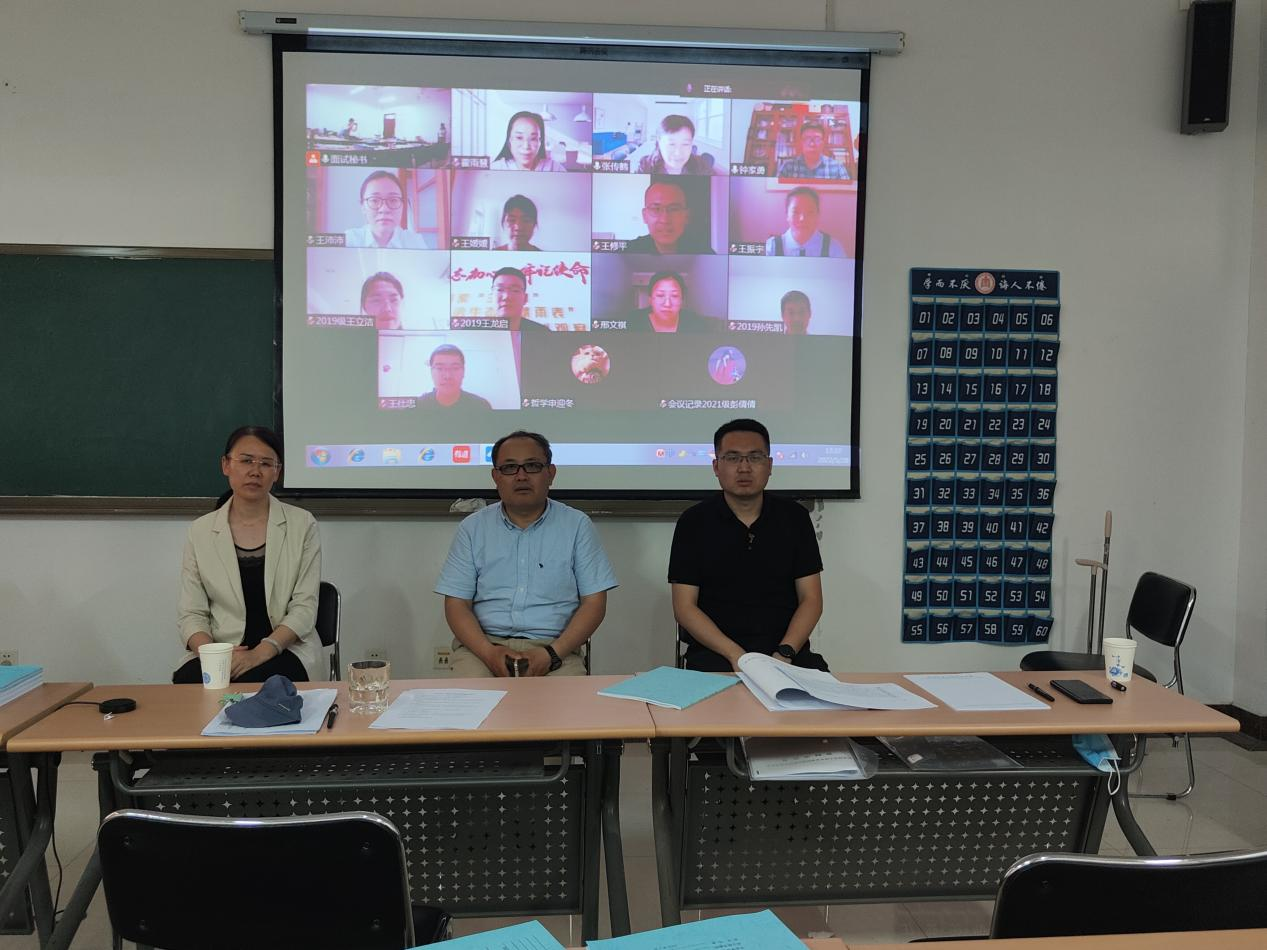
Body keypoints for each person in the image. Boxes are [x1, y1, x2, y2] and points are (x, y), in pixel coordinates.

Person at [436, 430, 618, 677]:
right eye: (510, 468)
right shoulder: (473, 528)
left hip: (556, 650)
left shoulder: (577, 526)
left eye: (532, 466)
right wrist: (489, 654)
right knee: (469, 698)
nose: (521, 476)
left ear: (550, 473)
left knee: (567, 702)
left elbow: (594, 604)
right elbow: (457, 604)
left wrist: (552, 654)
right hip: (482, 648)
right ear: (496, 476)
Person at [668, 418, 826, 673]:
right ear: (716, 466)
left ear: (769, 465)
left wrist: (784, 653)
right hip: (716, 655)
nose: (744, 468)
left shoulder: (795, 518)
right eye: (732, 458)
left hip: (787, 654)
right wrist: (737, 656)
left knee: (820, 697)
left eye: (755, 457)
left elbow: (811, 599)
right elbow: (685, 608)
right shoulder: (693, 522)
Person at [175, 426, 322, 684]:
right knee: (187, 682)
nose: (255, 471)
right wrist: (215, 656)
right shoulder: (201, 531)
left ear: (277, 472)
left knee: (263, 681)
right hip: (222, 649)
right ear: (226, 465)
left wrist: (259, 653)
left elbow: (304, 608)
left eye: (265, 463)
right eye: (246, 461)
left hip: (283, 647)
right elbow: (191, 614)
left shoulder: (302, 525)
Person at [344, 171, 431, 249]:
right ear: (363, 207)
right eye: (374, 200)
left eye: (393, 200)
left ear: (402, 206)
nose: (384, 209)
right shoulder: (349, 240)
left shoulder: (415, 242)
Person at [624, 180, 713, 255]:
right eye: (656, 209)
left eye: (674, 209)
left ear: (686, 216)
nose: (665, 220)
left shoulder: (704, 252)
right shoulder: (629, 252)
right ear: (644, 216)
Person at [764, 187, 845, 258]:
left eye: (810, 212)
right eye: (795, 212)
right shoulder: (771, 247)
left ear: (818, 215)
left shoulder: (833, 248)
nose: (802, 219)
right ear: (787, 214)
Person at [631, 271, 716, 333]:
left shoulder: (696, 323)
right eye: (660, 295)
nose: (667, 304)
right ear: (650, 299)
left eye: (674, 296)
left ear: (682, 300)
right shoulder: (633, 321)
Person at [417, 344, 493, 410]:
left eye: (455, 368)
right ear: (431, 372)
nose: (448, 376)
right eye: (439, 368)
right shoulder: (418, 406)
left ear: (463, 372)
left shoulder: (481, 406)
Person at [635, 114, 715, 175]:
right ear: (659, 143)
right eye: (671, 144)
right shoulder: (646, 167)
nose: (678, 153)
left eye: (685, 144)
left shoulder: (701, 166)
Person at [491, 111, 567, 172]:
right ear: (510, 140)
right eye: (519, 137)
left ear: (540, 141)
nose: (526, 146)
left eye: (533, 138)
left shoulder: (555, 168)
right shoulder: (495, 168)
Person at [776, 122, 849, 180]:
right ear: (801, 142)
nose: (812, 144)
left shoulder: (837, 167)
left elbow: (847, 193)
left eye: (817, 139)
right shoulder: (787, 166)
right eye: (807, 138)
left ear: (823, 142)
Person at [491, 266, 543, 331]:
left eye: (515, 290)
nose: (506, 296)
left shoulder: (542, 333)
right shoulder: (480, 331)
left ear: (525, 298)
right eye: (500, 289)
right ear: (492, 295)